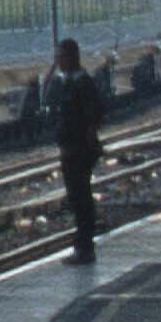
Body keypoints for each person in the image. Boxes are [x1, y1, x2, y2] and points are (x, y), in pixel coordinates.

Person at [49, 34, 107, 260]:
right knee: (77, 196)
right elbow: (48, 103)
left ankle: (85, 246)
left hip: (80, 148)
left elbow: (94, 114)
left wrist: (88, 139)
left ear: (71, 57)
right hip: (70, 147)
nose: (58, 62)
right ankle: (83, 243)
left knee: (81, 196)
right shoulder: (66, 82)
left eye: (60, 57)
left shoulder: (82, 83)